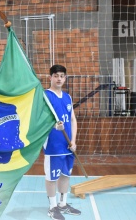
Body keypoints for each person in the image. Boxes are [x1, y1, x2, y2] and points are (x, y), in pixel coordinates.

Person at [43, 64, 81, 220]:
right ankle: (52, 208)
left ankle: (63, 204)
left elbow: (72, 119)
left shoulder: (67, 97)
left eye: (62, 76)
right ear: (50, 77)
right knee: (52, 178)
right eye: (56, 75)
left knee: (65, 175)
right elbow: (40, 120)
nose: (59, 79)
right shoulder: (45, 95)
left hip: (68, 145)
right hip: (53, 145)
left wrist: (73, 141)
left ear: (65, 78)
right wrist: (53, 125)